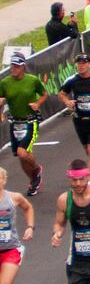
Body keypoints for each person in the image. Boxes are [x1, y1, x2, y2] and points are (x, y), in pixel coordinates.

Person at [0, 53, 47, 196]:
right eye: (11, 65)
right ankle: (33, 180)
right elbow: (1, 98)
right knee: (21, 156)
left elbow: (44, 94)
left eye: (16, 66)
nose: (13, 68)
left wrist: (37, 103)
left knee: (22, 152)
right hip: (15, 123)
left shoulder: (32, 80)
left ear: (23, 66)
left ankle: (37, 169)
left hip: (30, 121)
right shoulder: (5, 82)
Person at [59, 54, 90, 178]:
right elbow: (62, 93)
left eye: (83, 63)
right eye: (78, 63)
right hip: (80, 120)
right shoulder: (72, 80)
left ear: (89, 64)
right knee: (89, 151)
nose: (80, 66)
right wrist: (67, 102)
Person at [0, 168, 36, 284]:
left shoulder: (13, 197)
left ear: (3, 180)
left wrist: (30, 227)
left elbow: (28, 208)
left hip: (11, 248)